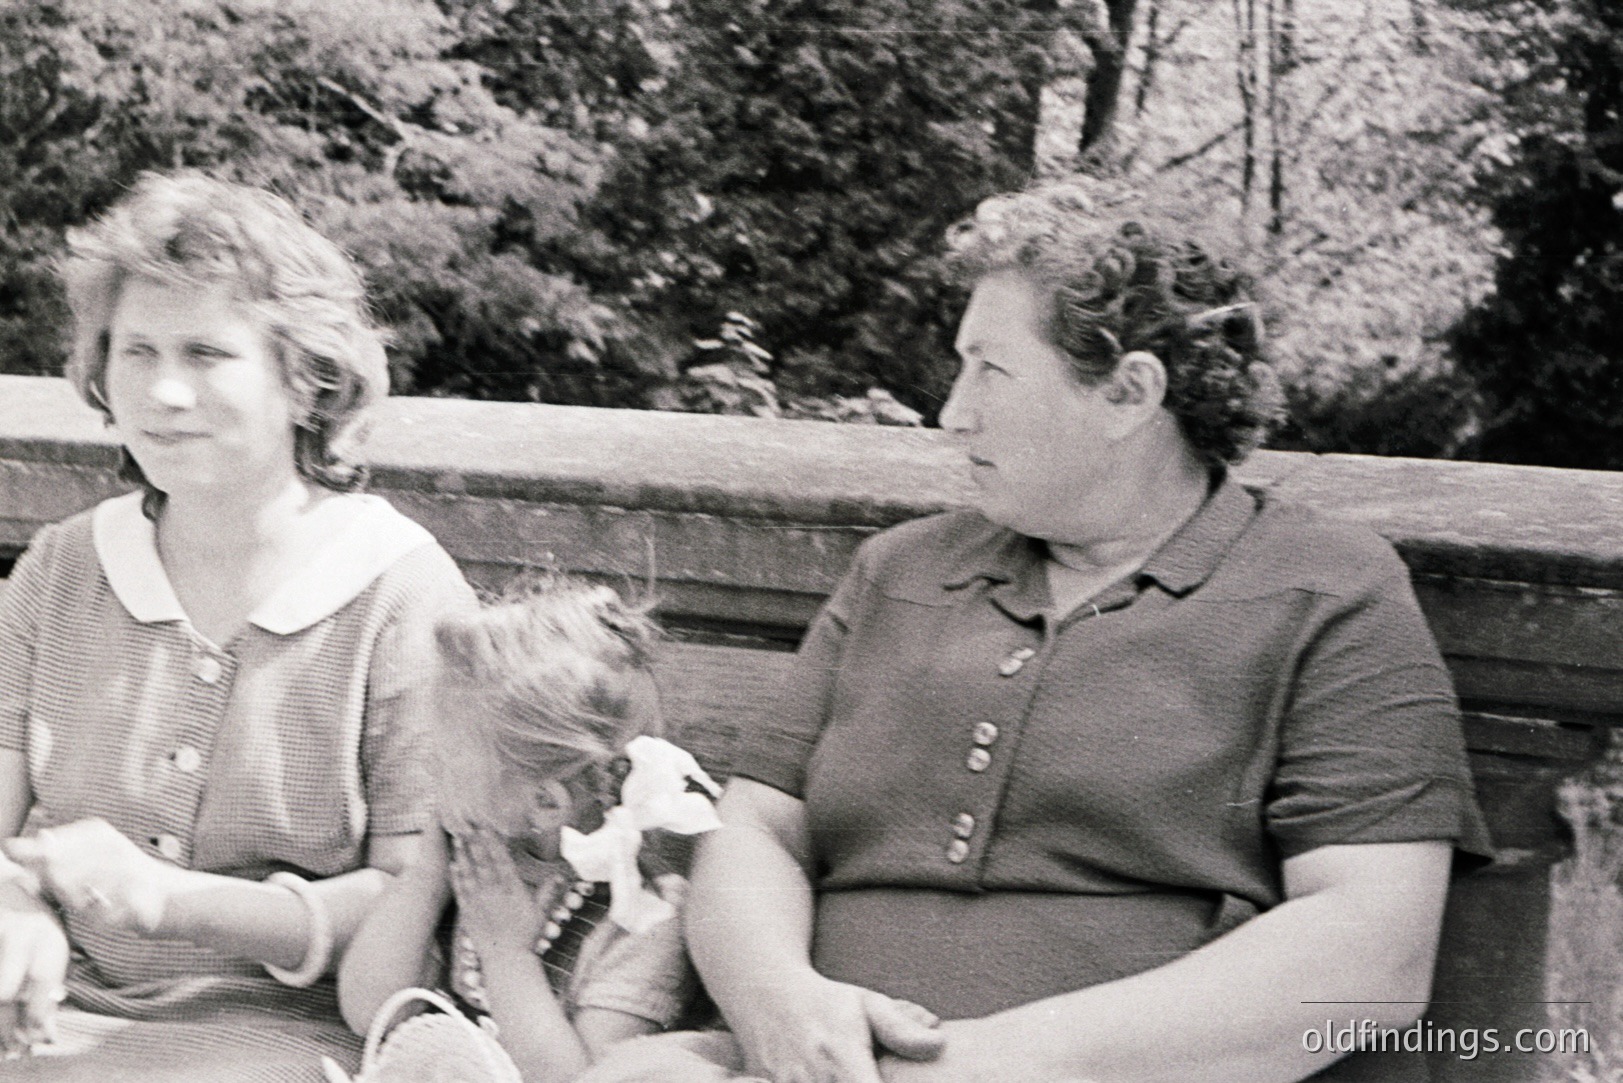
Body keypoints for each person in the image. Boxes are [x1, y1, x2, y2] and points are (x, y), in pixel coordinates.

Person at [683, 182, 1494, 1083]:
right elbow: (755, 826)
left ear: (1127, 392)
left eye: (989, 370)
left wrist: (992, 1064)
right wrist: (779, 1003)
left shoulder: (1327, 589)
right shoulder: (899, 571)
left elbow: (1368, 956)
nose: (952, 413)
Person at [0, 172, 476, 1080]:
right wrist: (16, 904)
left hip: (275, 1035)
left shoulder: (401, 594)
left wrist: (174, 901)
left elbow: (410, 899)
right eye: (136, 350)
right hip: (45, 1009)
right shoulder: (62, 565)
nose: (163, 391)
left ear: (306, 381)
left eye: (207, 354)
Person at [338, 579, 725, 1083]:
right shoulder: (479, 860)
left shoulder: (641, 916)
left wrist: (507, 954)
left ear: (544, 803)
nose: (429, 773)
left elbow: (580, 1079)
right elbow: (372, 1013)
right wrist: (426, 878)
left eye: (445, 760)